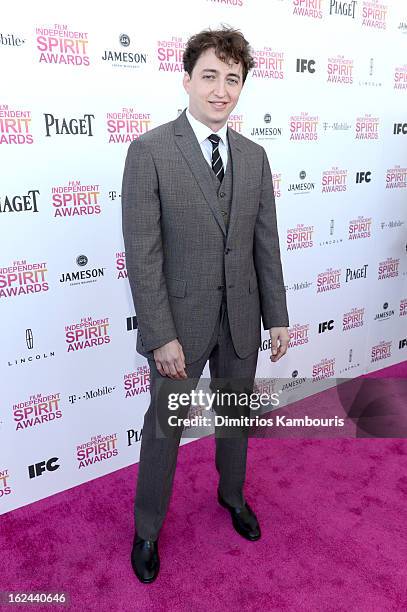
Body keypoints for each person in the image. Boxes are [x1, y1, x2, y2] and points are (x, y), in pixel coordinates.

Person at [121, 25, 289, 583]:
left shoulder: (254, 156)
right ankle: (147, 530)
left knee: (236, 418)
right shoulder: (149, 152)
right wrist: (160, 333)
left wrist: (278, 316)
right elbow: (142, 255)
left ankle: (232, 496)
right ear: (187, 79)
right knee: (164, 429)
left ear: (242, 86)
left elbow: (266, 242)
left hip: (241, 318)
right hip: (179, 327)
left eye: (232, 79)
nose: (221, 89)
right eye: (210, 76)